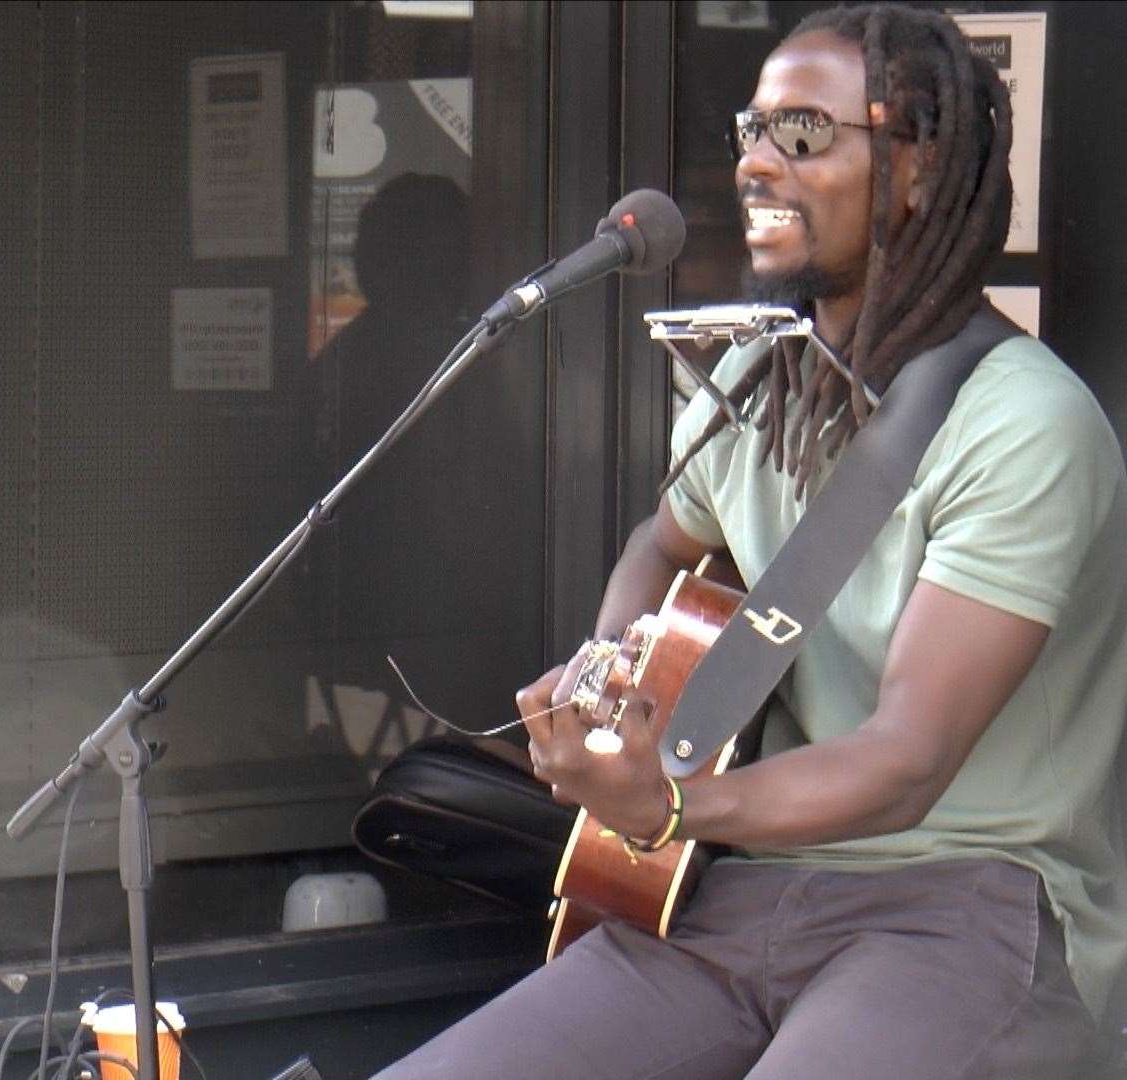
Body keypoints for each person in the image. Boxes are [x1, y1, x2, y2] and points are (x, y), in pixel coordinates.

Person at [379, 5, 1126, 1077]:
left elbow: (907, 762)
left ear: (916, 166)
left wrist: (673, 802)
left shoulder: (1024, 427)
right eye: (752, 132)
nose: (758, 165)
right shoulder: (750, 388)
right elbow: (661, 543)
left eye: (806, 135)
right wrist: (619, 681)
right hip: (741, 892)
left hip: (969, 902)